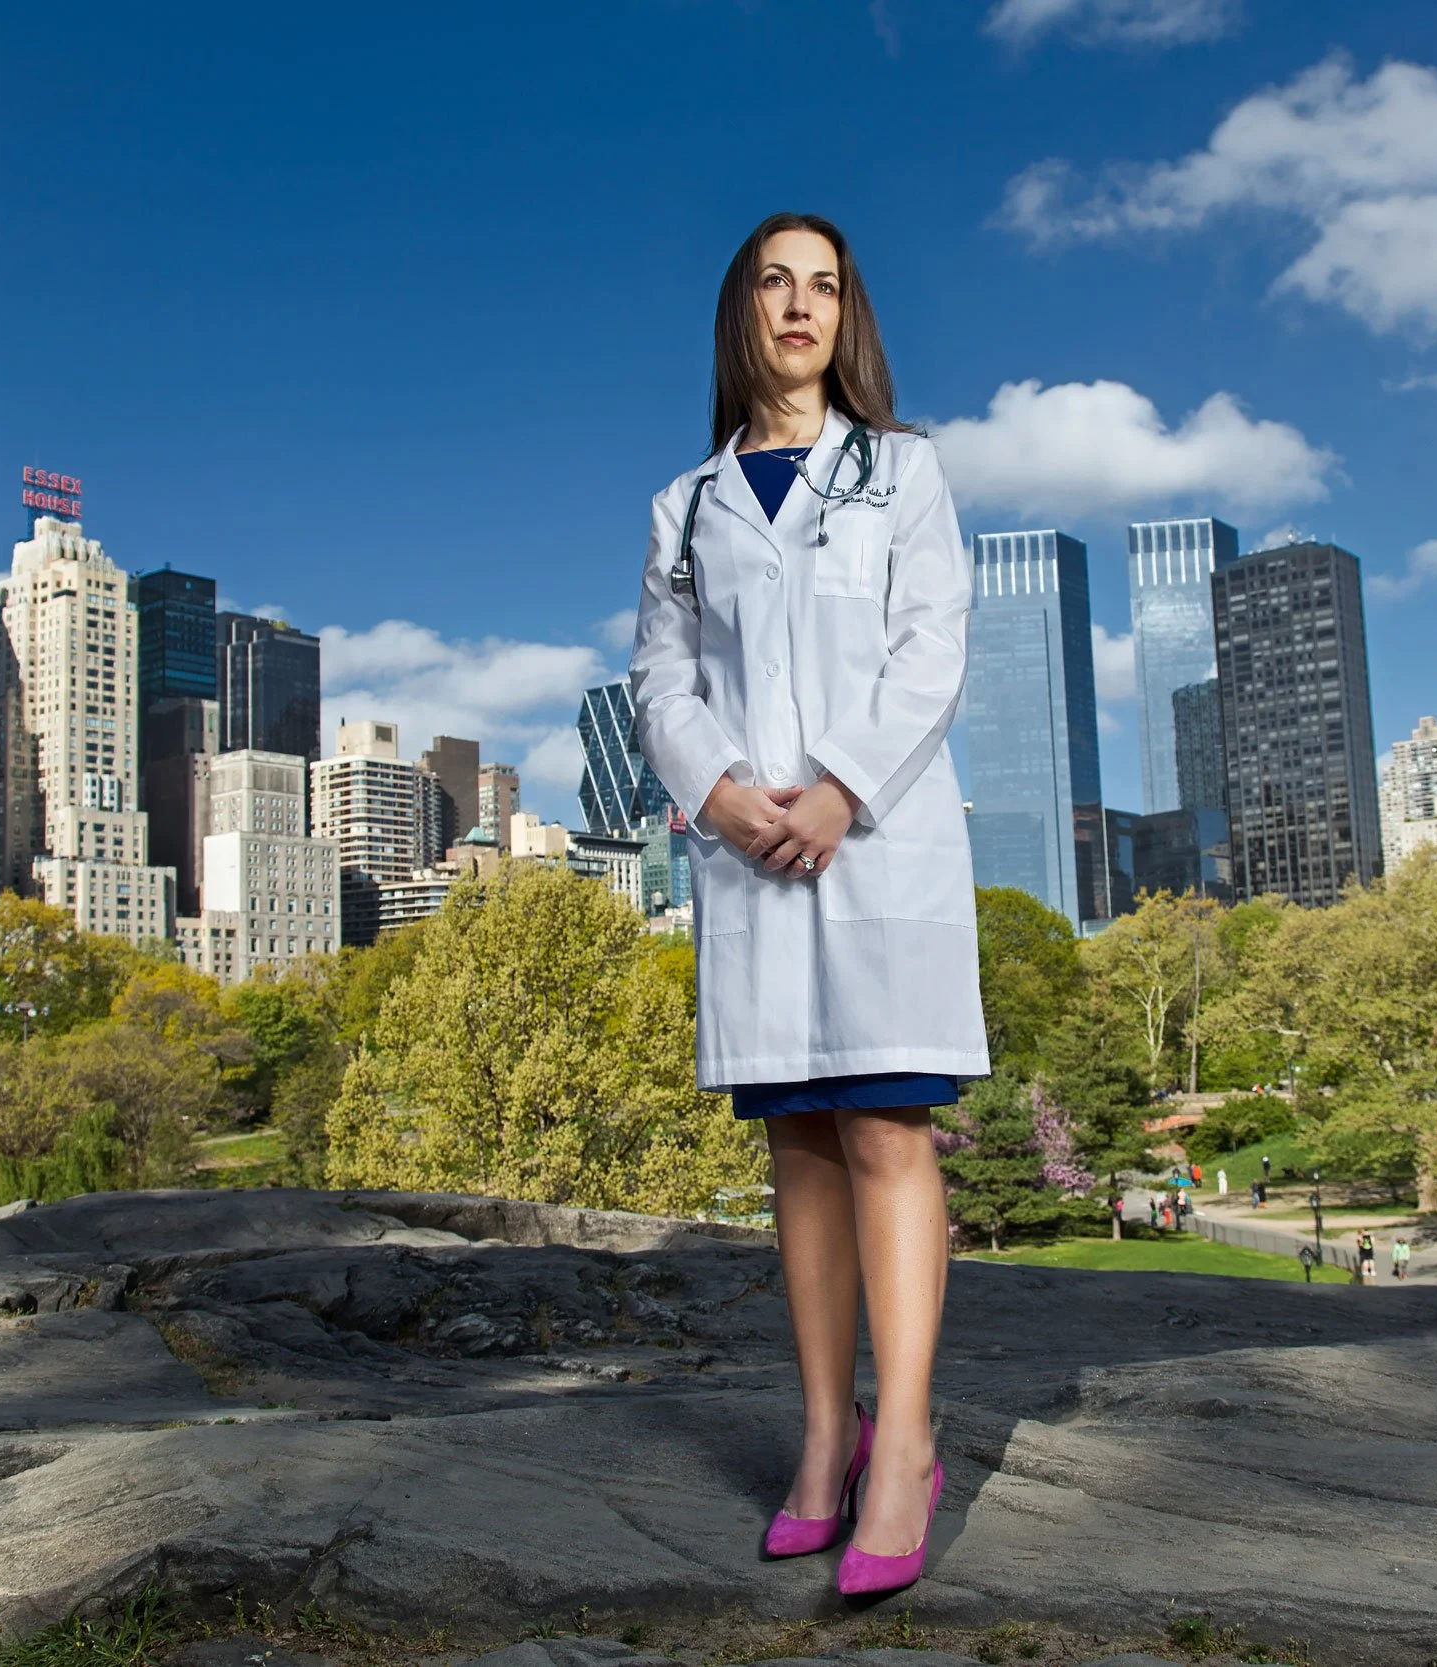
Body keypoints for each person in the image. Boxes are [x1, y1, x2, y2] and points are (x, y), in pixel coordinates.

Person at [629, 212, 984, 1598]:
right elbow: (663, 679)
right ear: (741, 313)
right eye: (775, 283)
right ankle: (825, 1432)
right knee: (800, 1147)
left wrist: (838, 788)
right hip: (749, 854)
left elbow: (933, 643)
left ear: (850, 317)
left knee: (887, 1124)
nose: (799, 305)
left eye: (824, 286)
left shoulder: (904, 473)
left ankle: (906, 1443)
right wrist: (719, 791)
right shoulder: (685, 506)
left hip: (872, 839)